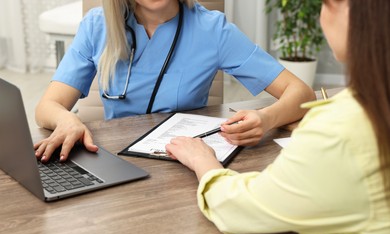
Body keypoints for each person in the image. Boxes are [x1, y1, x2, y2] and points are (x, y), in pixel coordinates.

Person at [165, 0, 390, 234]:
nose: (320, 16)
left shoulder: (339, 132)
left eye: (327, 4)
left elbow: (236, 207)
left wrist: (202, 159)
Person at [34, 0, 315, 162]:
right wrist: (66, 120)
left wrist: (266, 119)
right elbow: (48, 106)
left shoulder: (212, 30)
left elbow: (301, 93)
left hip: (184, 161)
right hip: (114, 159)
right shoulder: (97, 25)